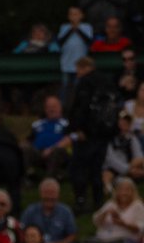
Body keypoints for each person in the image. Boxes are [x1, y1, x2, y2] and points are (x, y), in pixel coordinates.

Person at [68, 56, 118, 213]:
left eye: (78, 70)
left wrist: (78, 128)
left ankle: (80, 201)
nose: (77, 74)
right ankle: (98, 201)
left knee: (79, 168)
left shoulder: (85, 83)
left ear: (84, 67)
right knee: (97, 169)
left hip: (88, 133)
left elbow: (81, 107)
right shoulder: (107, 82)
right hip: (105, 133)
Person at [20, 178, 79, 243]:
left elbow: (72, 235)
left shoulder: (65, 212)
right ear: (40, 193)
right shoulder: (30, 211)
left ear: (58, 194)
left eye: (53, 193)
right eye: (46, 193)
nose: (50, 197)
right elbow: (21, 232)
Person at [24, 95, 71, 180]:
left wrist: (51, 149)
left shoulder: (66, 123)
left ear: (60, 107)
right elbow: (28, 140)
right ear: (45, 109)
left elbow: (69, 139)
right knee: (24, 148)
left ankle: (49, 180)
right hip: (38, 153)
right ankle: (28, 177)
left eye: (54, 106)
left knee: (57, 152)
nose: (51, 109)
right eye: (48, 107)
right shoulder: (37, 124)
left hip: (57, 152)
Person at [94, 177, 144, 243]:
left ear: (133, 192)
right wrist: (105, 214)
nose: (124, 193)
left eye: (127, 190)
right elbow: (96, 221)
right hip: (104, 237)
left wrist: (123, 223)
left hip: (126, 239)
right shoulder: (111, 204)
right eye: (121, 190)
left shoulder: (138, 206)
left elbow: (140, 228)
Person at [58, 8, 94, 104]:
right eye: (71, 14)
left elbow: (89, 41)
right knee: (65, 86)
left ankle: (80, 105)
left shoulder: (87, 27)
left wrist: (77, 29)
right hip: (67, 63)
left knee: (79, 86)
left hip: (81, 64)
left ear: (82, 16)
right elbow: (61, 41)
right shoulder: (64, 27)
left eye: (76, 14)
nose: (74, 17)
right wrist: (71, 29)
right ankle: (63, 106)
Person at [103, 110, 144, 190]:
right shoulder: (109, 137)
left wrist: (130, 168)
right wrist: (128, 170)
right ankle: (109, 189)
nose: (124, 123)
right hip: (111, 168)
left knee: (140, 161)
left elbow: (139, 156)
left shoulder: (131, 138)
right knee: (107, 174)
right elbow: (110, 159)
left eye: (127, 122)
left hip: (128, 166)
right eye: (122, 120)